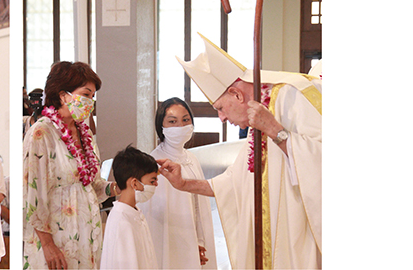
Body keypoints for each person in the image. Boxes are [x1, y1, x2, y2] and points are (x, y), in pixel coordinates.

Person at [157, 35, 322, 270]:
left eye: (221, 108)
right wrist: (183, 184)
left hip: (299, 242)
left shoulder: (294, 96)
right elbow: (231, 184)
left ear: (237, 94)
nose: (222, 118)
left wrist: (276, 131)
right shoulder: (258, 123)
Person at [23, 60, 115, 269]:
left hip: (87, 236)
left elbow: (92, 185)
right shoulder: (42, 133)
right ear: (64, 95)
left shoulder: (86, 134)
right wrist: (47, 245)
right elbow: (32, 194)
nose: (90, 102)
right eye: (85, 94)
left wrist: (117, 188)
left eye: (92, 97)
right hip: (56, 240)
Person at [137, 98, 216, 270]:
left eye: (185, 120)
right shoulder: (156, 163)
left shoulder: (191, 158)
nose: (180, 126)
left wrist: (199, 239)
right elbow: (153, 214)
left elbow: (197, 203)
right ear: (161, 127)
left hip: (193, 237)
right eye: (172, 121)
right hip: (169, 240)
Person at [100, 146, 159, 270]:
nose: (156, 185)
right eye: (152, 181)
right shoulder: (122, 221)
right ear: (135, 183)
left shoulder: (134, 213)